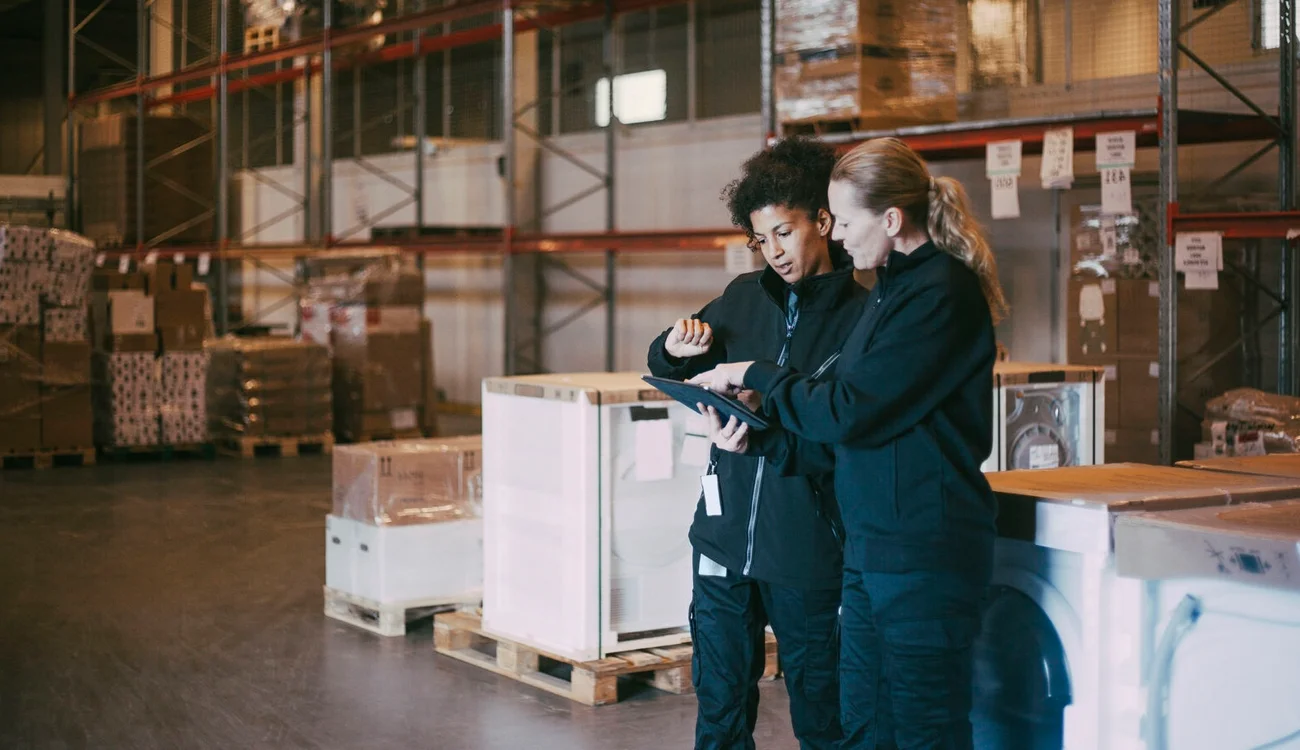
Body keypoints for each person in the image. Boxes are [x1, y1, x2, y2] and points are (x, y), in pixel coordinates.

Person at [689, 137, 1009, 750]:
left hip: (922, 549)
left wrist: (757, 375)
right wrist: (760, 442)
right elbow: (849, 431)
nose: (838, 238)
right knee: (863, 722)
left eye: (847, 222)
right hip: (872, 546)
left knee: (922, 726)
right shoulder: (892, 289)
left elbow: (848, 411)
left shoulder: (939, 294)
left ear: (891, 220)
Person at [647, 136, 870, 750]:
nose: (773, 252)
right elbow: (665, 365)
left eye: (784, 233)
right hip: (720, 540)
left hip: (807, 548)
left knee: (823, 715)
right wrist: (674, 348)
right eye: (760, 239)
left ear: (822, 222)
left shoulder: (863, 316)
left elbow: (848, 434)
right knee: (719, 710)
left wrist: (765, 437)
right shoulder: (743, 297)